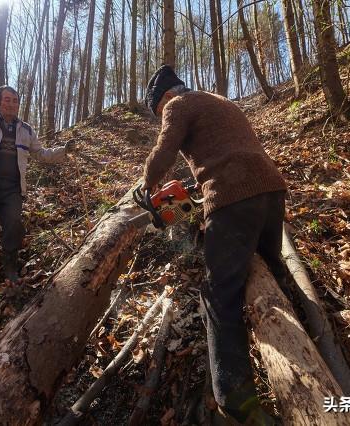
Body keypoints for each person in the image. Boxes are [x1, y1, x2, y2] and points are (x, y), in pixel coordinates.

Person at [142, 65, 288, 424]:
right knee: (274, 266)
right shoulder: (218, 100)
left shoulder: (176, 106)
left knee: (219, 296)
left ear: (163, 99)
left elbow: (165, 152)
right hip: (271, 191)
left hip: (233, 197)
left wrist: (145, 185)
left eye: (158, 112)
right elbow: (226, 149)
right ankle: (311, 326)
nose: (163, 116)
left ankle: (234, 401)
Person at [0, 85, 75, 290]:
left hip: (12, 189)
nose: (11, 104)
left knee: (13, 224)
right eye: (7, 100)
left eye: (15, 100)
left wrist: (64, 151)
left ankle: (10, 267)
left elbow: (41, 154)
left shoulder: (25, 129)